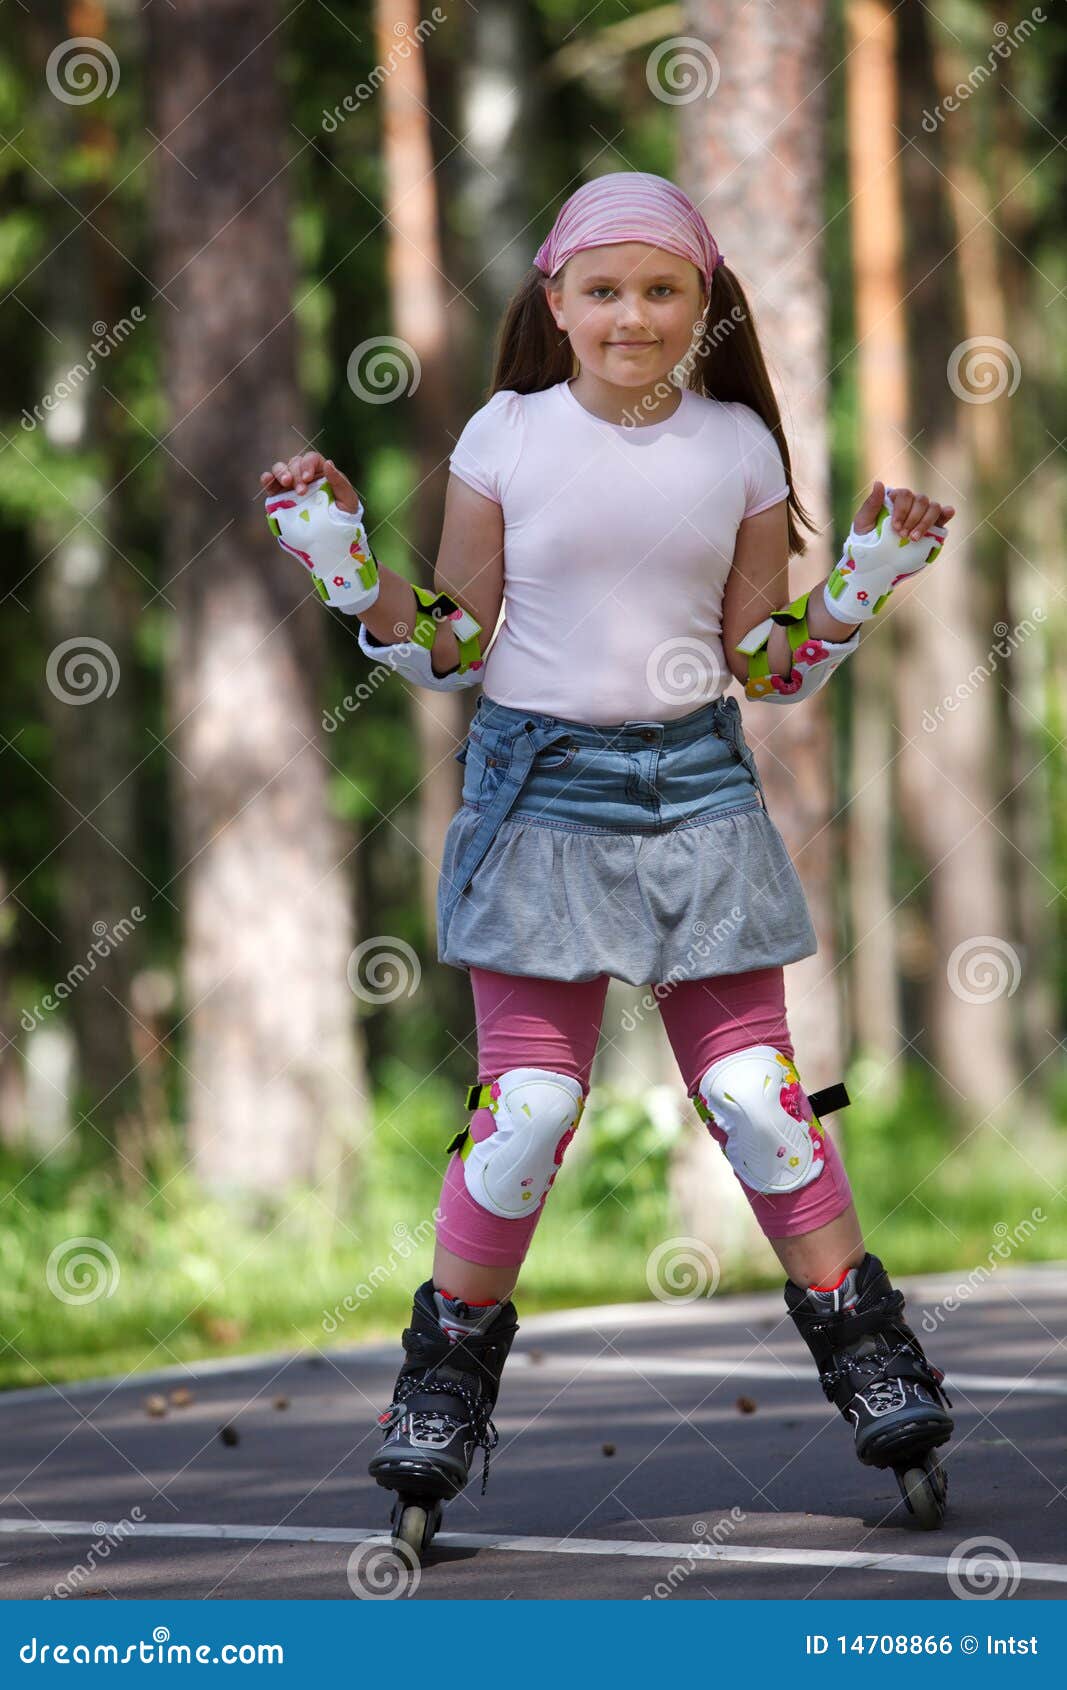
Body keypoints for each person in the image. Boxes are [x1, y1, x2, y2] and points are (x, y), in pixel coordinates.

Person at [261, 171, 957, 1548]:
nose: (631, 316)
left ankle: (871, 1352)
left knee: (760, 1098)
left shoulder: (739, 448)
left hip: (694, 778)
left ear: (704, 304)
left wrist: (865, 573)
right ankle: (444, 1381)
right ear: (555, 302)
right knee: (523, 1115)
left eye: (661, 290)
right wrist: (343, 559)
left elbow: (768, 665)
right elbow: (452, 640)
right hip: (538, 788)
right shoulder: (505, 435)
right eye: (603, 290)